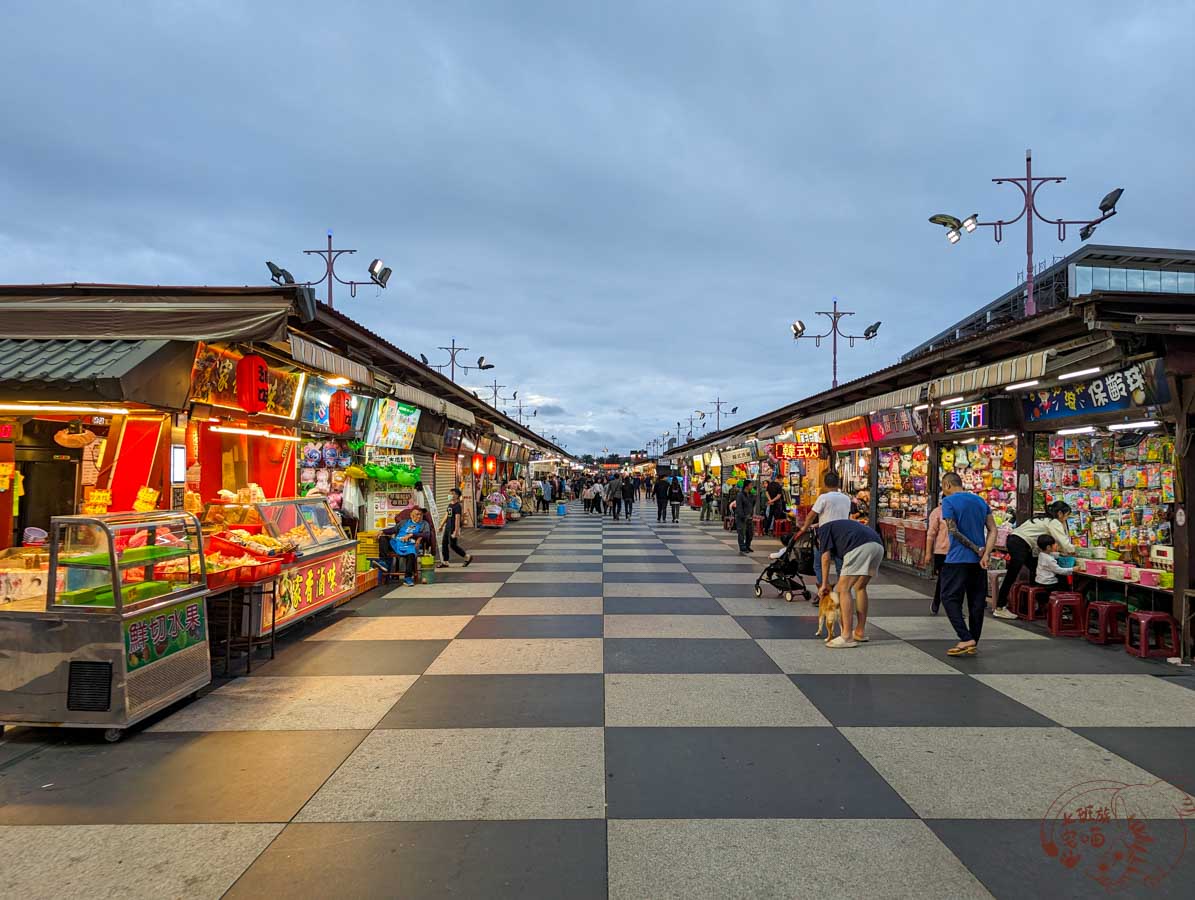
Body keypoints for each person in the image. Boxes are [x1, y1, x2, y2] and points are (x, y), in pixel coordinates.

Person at [938, 471, 997, 657]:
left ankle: (965, 637)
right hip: (978, 562)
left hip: (957, 559)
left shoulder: (948, 502)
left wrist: (974, 548)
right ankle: (974, 640)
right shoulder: (980, 501)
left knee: (948, 597)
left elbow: (953, 531)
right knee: (976, 602)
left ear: (947, 485)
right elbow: (993, 529)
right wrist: (985, 553)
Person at [994, 501, 1075, 620]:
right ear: (1059, 513)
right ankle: (1000, 607)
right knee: (1012, 575)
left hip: (1015, 541)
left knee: (1035, 569)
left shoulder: (1041, 519)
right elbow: (1064, 542)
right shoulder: (1054, 522)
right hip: (1020, 544)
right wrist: (1074, 550)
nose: (1066, 519)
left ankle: (1035, 604)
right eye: (1066, 515)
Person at [816, 518, 884, 647]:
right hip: (878, 545)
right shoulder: (841, 527)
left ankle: (846, 636)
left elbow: (825, 558)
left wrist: (824, 583)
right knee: (860, 587)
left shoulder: (822, 530)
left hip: (859, 545)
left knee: (842, 589)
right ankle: (859, 631)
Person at [786, 472, 851, 587]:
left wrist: (804, 528)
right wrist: (818, 524)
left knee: (818, 564)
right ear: (838, 483)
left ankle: (823, 588)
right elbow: (839, 516)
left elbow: (811, 515)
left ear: (825, 484)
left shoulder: (823, 498)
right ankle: (842, 590)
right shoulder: (847, 499)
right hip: (842, 535)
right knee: (840, 564)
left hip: (825, 535)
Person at [383, 507, 432, 586]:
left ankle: (408, 577)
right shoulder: (404, 522)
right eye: (417, 514)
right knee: (382, 538)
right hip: (397, 543)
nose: (419, 516)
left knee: (411, 553)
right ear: (411, 515)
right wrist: (382, 531)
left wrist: (412, 535)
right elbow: (394, 529)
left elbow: (427, 535)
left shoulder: (424, 524)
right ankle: (383, 563)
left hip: (410, 544)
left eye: (421, 515)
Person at [922, 503, 952, 615]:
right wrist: (928, 553)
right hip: (941, 551)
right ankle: (937, 601)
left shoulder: (959, 511)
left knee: (957, 580)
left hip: (957, 551)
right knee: (943, 579)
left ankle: (955, 607)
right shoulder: (937, 512)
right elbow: (931, 534)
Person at [411, 480, 444, 568]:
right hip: (421, 511)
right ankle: (425, 551)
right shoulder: (421, 492)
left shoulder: (415, 492)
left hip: (417, 511)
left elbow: (415, 503)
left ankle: (420, 552)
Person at [1034, 533, 1075, 600]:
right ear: (1048, 547)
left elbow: (1053, 555)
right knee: (1063, 580)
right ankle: (1065, 602)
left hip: (1039, 581)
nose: (1056, 545)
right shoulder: (1049, 559)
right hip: (1048, 584)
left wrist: (1064, 554)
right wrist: (1073, 569)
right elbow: (1059, 570)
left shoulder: (1041, 554)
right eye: (1054, 544)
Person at [441, 487, 472, 567]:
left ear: (457, 496)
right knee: (444, 543)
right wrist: (441, 525)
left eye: (452, 494)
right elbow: (447, 515)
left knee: (453, 545)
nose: (450, 495)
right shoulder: (450, 504)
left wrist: (456, 530)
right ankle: (445, 561)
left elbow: (457, 518)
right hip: (448, 526)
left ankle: (467, 557)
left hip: (453, 527)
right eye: (450, 493)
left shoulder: (457, 506)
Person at [730, 480, 756, 552]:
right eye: (751, 485)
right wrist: (742, 516)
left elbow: (753, 504)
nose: (752, 487)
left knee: (750, 533)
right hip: (741, 517)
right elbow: (739, 506)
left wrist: (751, 514)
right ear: (746, 486)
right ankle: (742, 547)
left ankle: (747, 546)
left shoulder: (751, 495)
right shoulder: (740, 495)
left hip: (749, 516)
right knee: (741, 533)